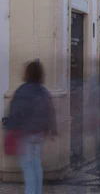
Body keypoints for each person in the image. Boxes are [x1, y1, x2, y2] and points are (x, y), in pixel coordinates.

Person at [4, 61, 57, 194]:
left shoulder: (23, 90)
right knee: (36, 164)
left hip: (25, 134)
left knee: (28, 167)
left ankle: (31, 192)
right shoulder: (43, 90)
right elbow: (50, 110)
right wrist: (52, 128)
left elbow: (16, 112)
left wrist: (9, 124)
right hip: (39, 133)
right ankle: (37, 192)